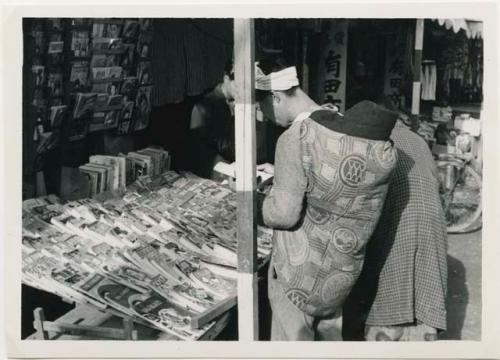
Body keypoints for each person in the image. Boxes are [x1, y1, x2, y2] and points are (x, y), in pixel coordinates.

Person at [255, 58, 399, 341]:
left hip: (297, 277)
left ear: (275, 96)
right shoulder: (346, 131)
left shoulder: (296, 138)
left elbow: (284, 214)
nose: (263, 116)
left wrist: (257, 205)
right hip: (340, 277)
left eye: (262, 107)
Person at [342, 99, 448, 342]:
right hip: (433, 223)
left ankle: (387, 335)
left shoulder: (372, 140)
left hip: (399, 222)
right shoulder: (417, 139)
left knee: (389, 297)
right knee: (424, 294)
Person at [188, 62, 236, 178]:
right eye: (239, 85)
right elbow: (200, 151)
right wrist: (229, 168)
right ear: (226, 78)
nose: (243, 91)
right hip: (216, 173)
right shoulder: (204, 107)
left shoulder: (236, 102)